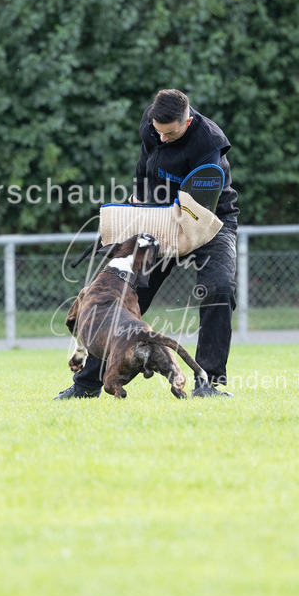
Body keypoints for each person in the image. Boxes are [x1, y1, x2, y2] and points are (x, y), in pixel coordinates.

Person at [56, 89, 239, 399]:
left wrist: (163, 212)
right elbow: (144, 168)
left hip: (207, 220)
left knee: (219, 289)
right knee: (120, 295)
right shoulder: (152, 125)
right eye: (158, 131)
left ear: (188, 120)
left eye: (171, 133)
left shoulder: (209, 143)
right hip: (158, 217)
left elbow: (201, 203)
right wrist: (139, 202)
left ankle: (208, 384)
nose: (163, 138)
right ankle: (86, 385)